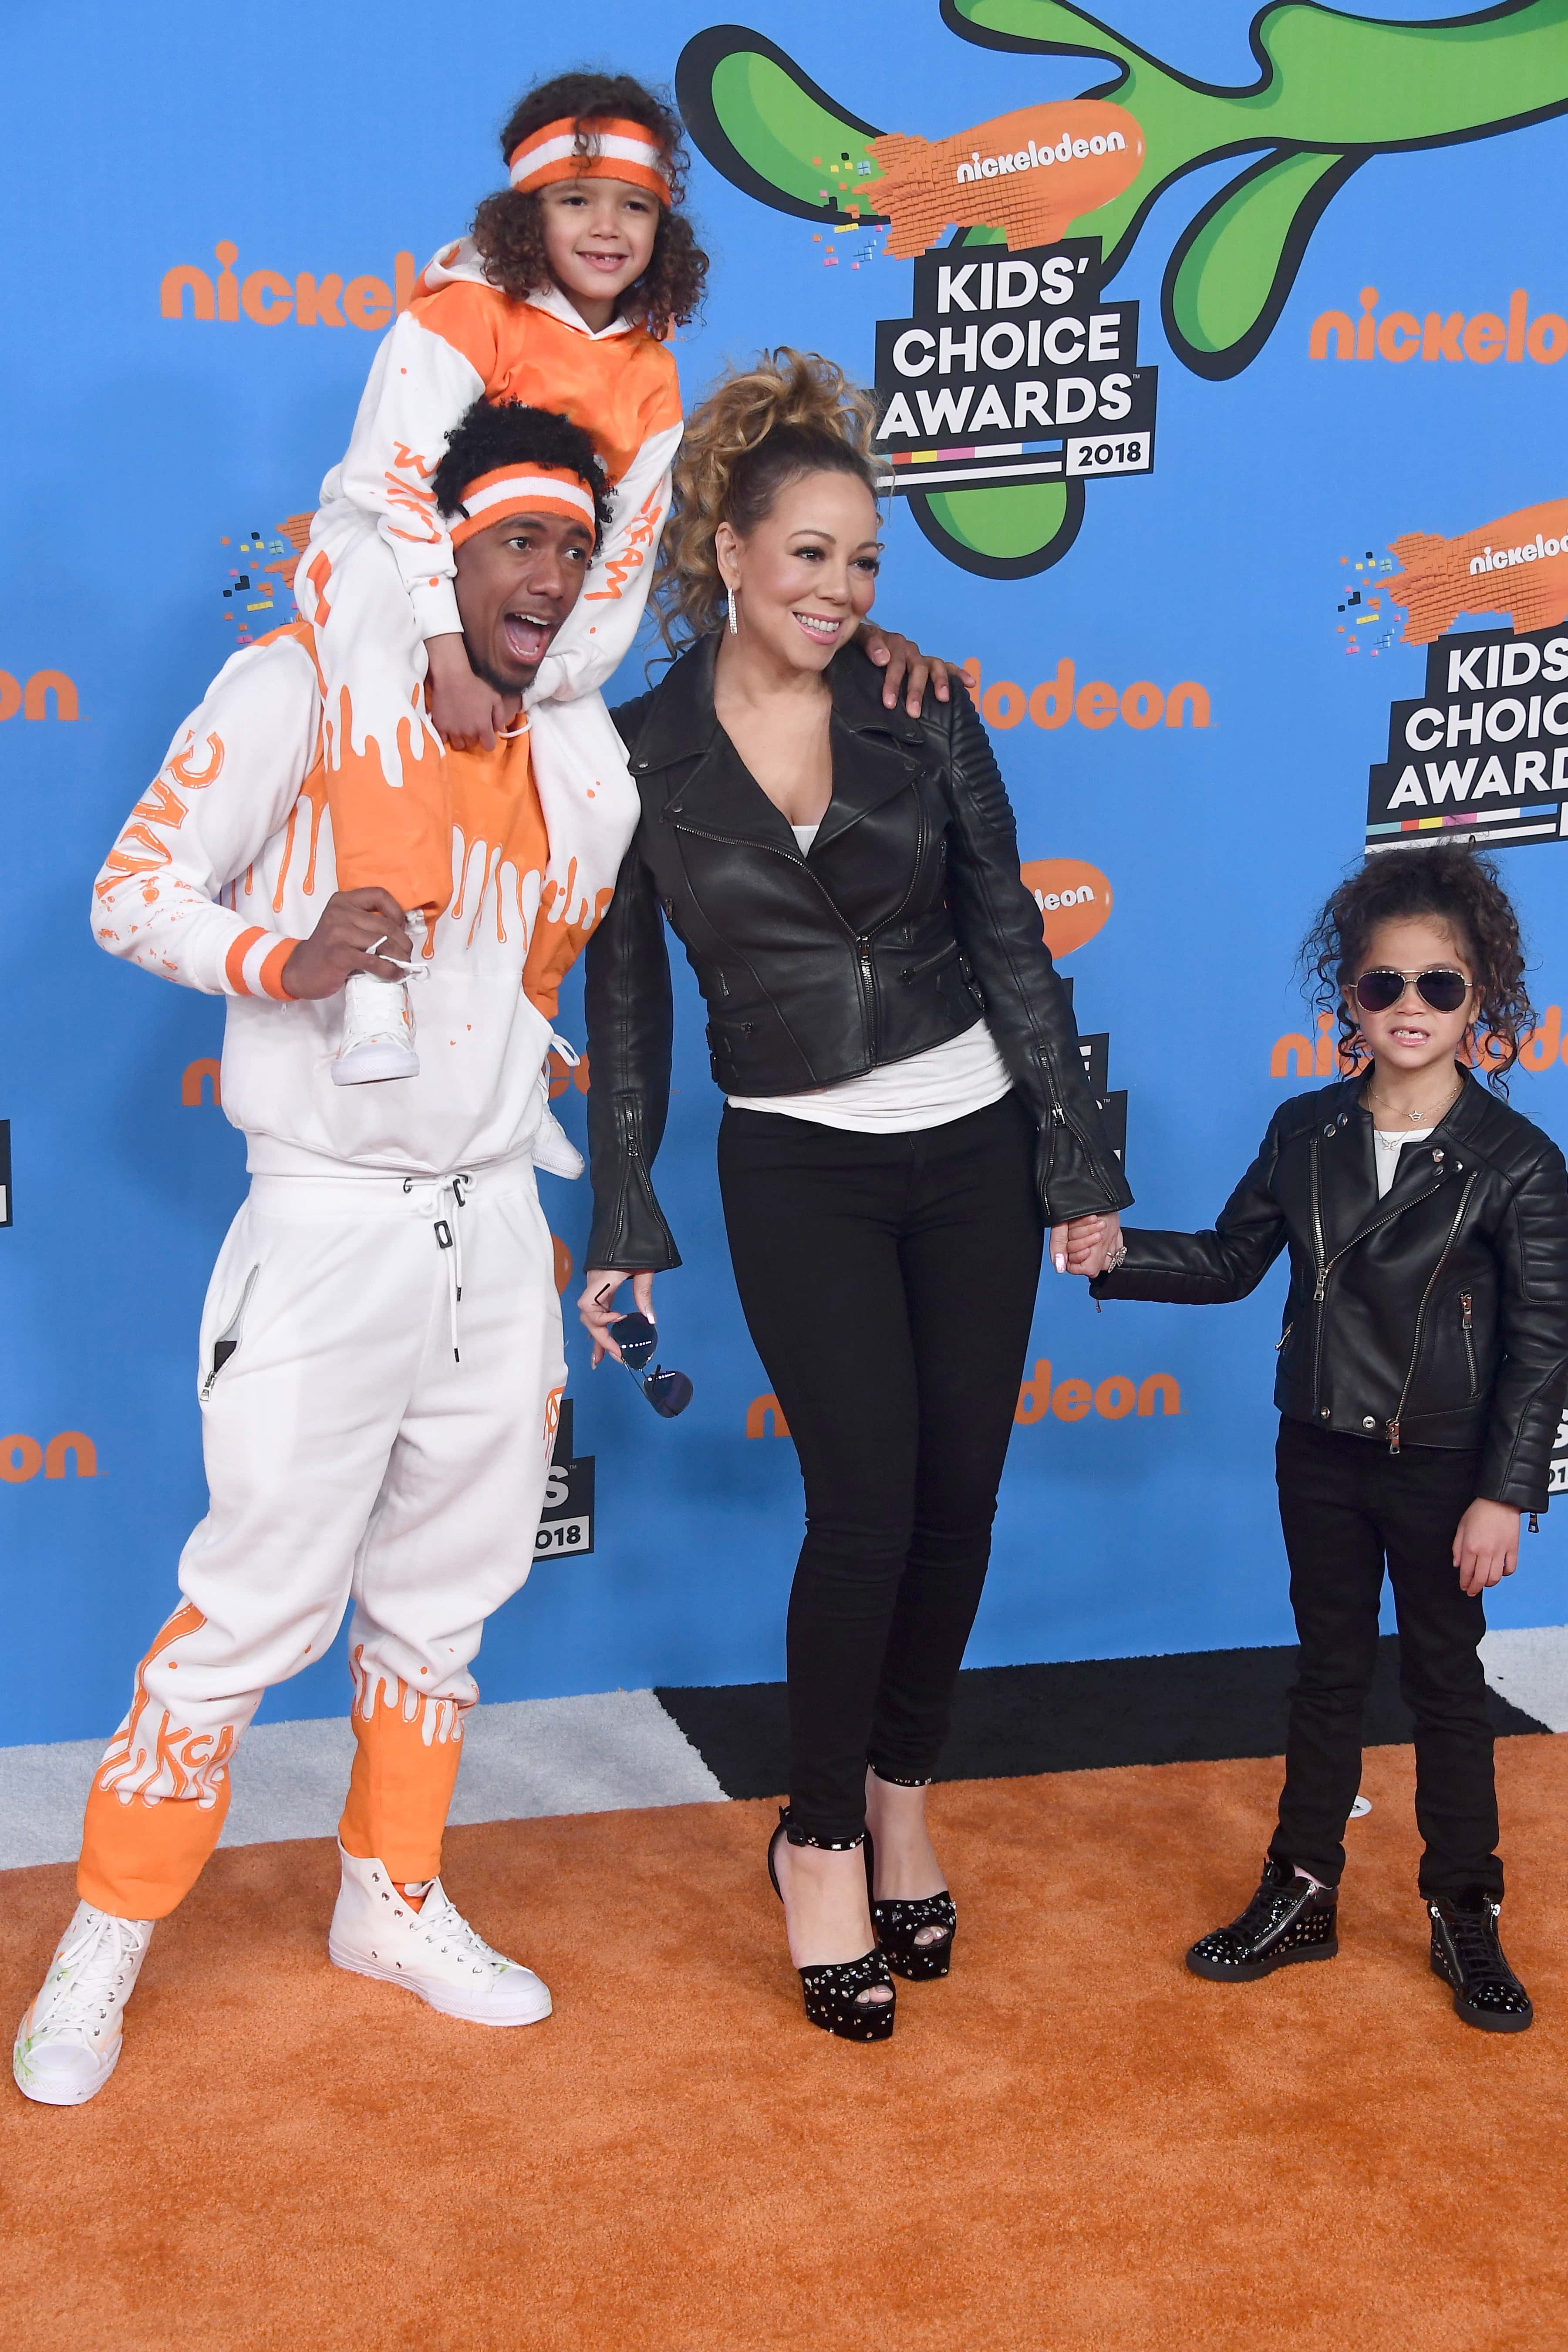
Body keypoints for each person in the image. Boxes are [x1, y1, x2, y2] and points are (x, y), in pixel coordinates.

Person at [13, 399, 630, 2108]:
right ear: (441, 553)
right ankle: (108, 1932)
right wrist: (286, 959)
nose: (551, 577)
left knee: (443, 1604)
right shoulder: (296, 688)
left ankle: (391, 1897)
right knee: (252, 1605)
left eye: (577, 551)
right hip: (330, 1222)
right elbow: (132, 891)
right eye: (521, 540)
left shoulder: (575, 751)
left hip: (493, 1223)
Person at [577, 350, 1132, 2040]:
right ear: (728, 553)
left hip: (971, 1148)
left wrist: (1074, 1158)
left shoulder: (919, 703)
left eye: (864, 560)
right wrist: (624, 1218)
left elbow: (1008, 935)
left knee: (957, 1505)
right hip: (798, 1164)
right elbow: (625, 1005)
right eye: (809, 552)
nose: (838, 588)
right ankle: (814, 1838)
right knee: (866, 1508)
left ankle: (899, 1798)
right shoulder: (637, 755)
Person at [1073, 844, 1568, 2033]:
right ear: (1348, 996)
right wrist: (1117, 1251)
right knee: (1326, 1675)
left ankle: (1464, 1907)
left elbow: (1543, 1344)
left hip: (1446, 1466)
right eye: (1383, 984)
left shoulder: (1518, 1163)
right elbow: (1232, 1260)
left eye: (1439, 985)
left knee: (1446, 1683)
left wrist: (1505, 1492)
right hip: (1320, 1451)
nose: (1410, 1007)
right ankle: (1300, 1891)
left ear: (1481, 1000)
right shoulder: (1304, 1130)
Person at [298, 71, 699, 1084]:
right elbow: (398, 489)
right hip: (392, 565)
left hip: (525, 614)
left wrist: (537, 674)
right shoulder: (463, 314)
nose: (606, 228)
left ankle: (524, 1030)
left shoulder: (652, 374)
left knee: (605, 801)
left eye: (635, 206)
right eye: (577, 200)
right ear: (527, 212)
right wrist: (446, 648)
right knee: (379, 682)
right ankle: (377, 979)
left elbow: (621, 557)